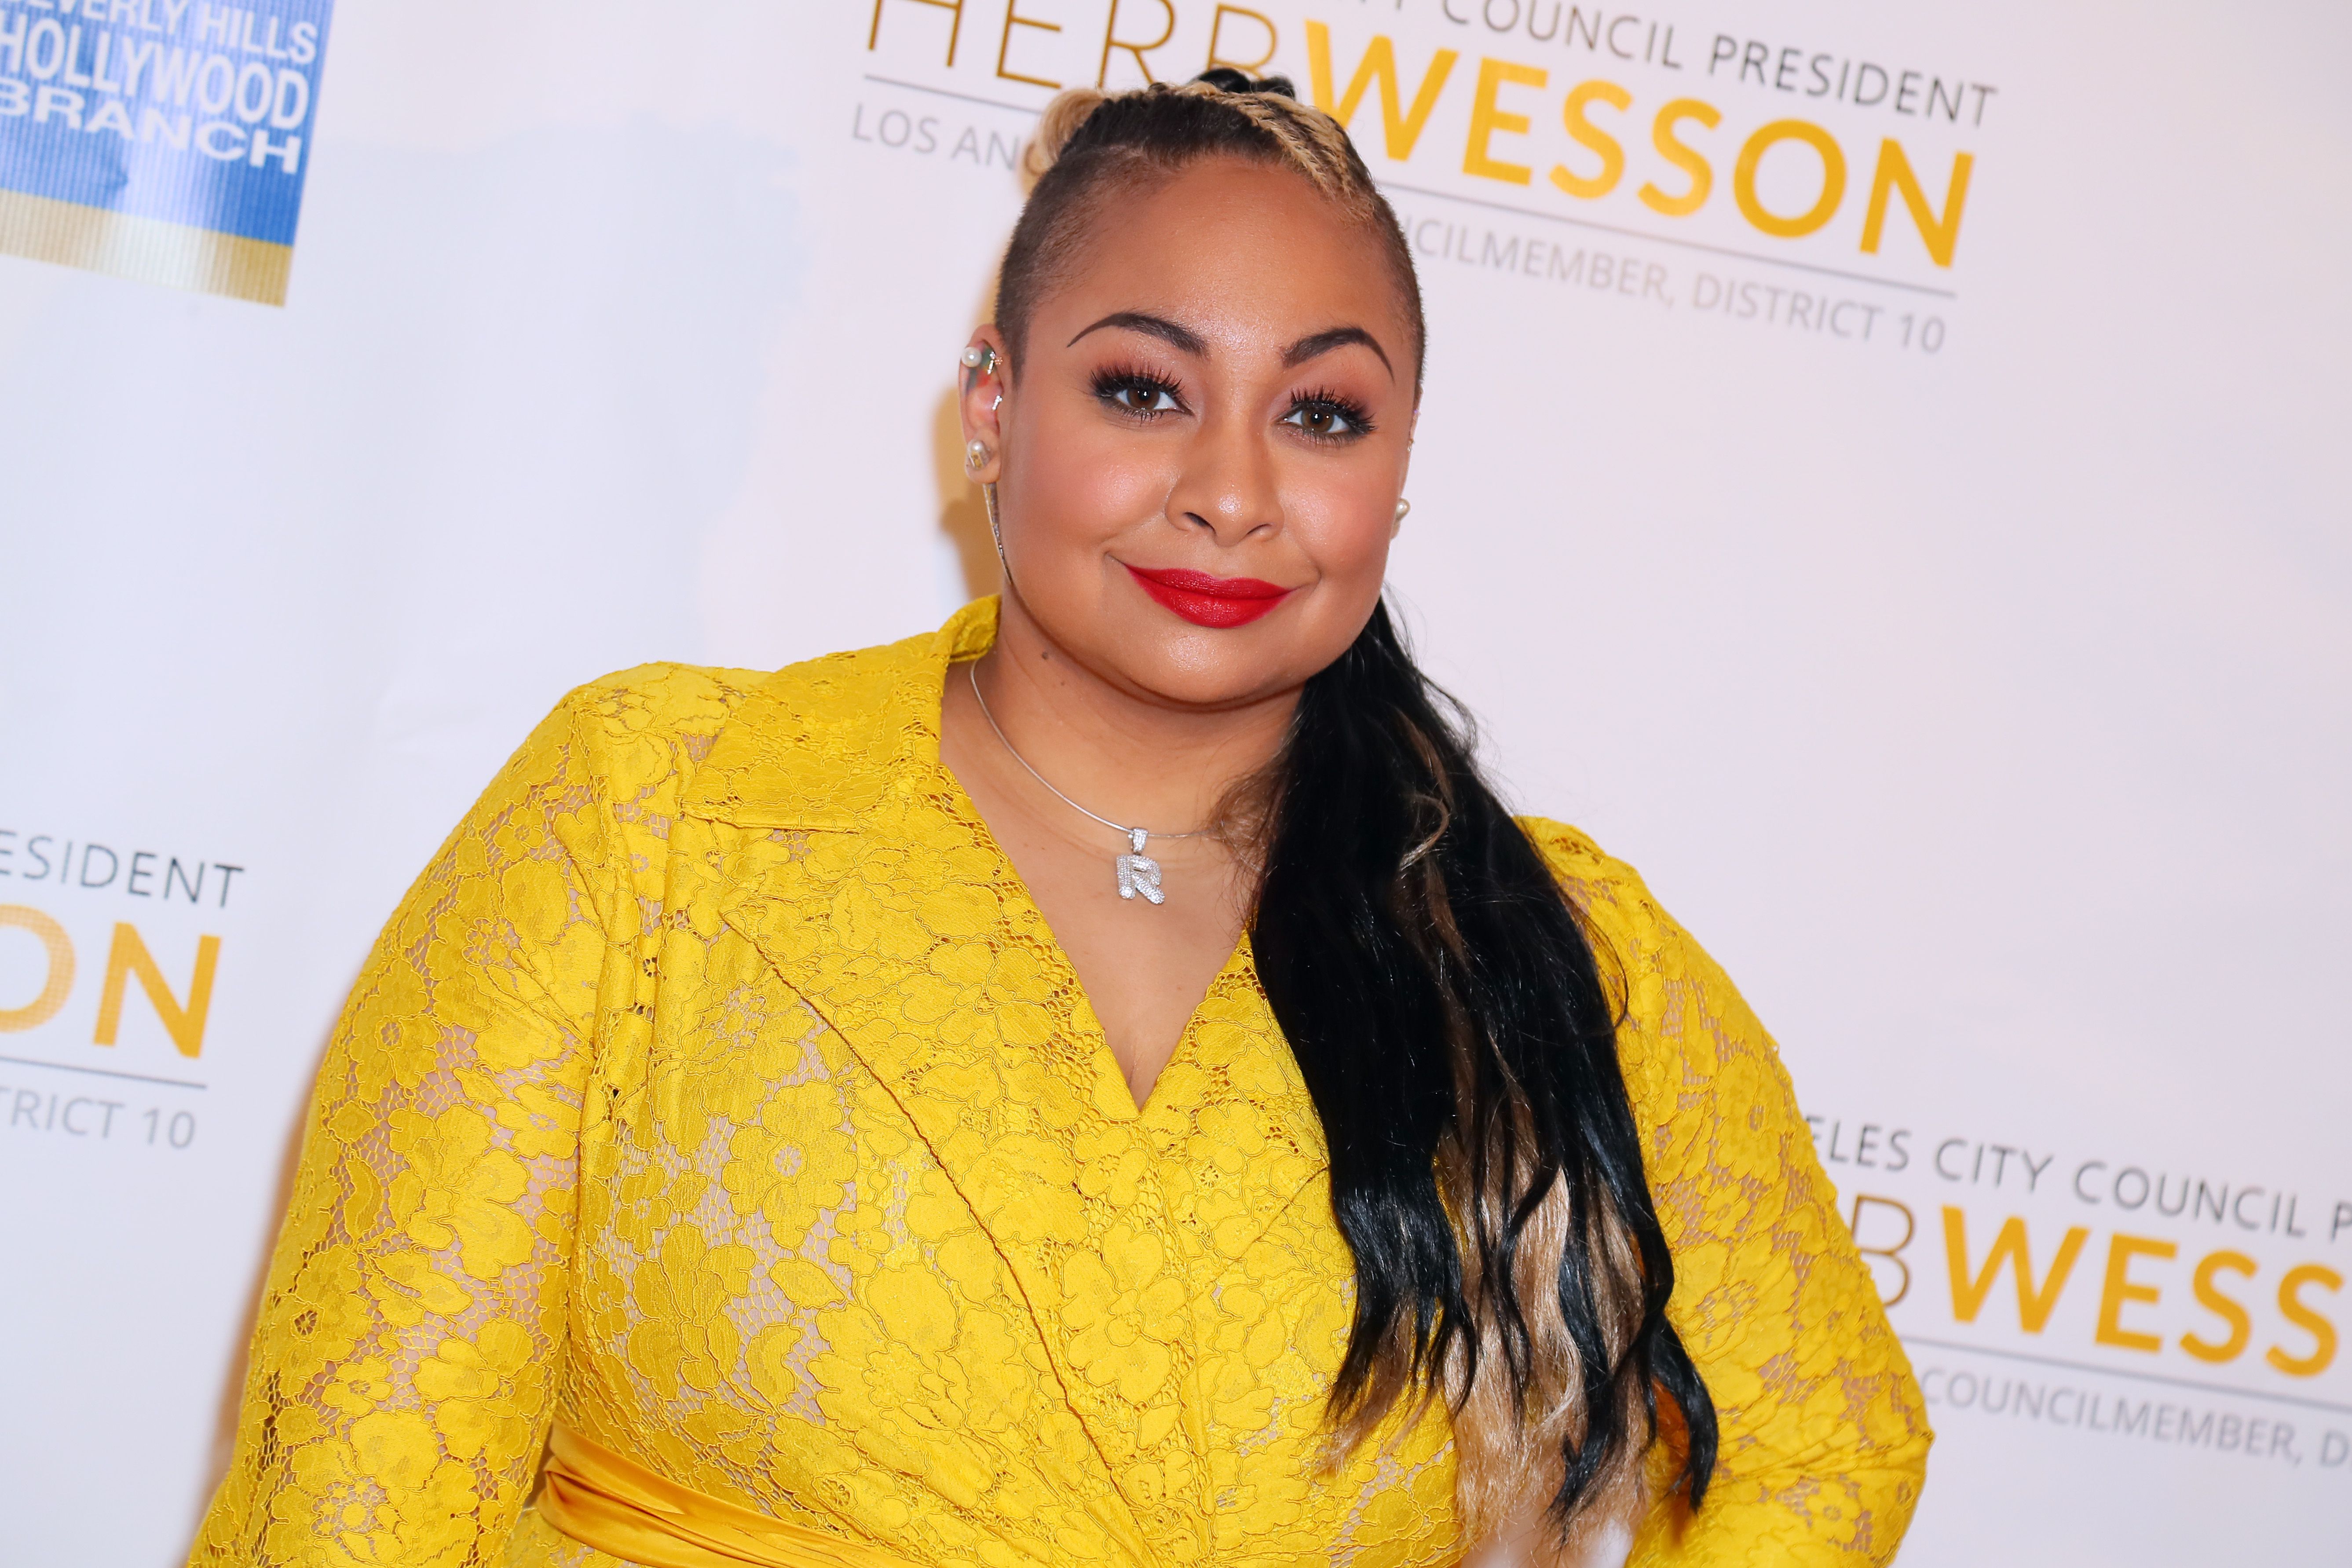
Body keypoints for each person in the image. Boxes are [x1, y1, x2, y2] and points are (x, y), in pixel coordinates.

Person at [190, 72, 1928, 1568]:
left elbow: (1833, 1437)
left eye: (1319, 414)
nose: (1231, 491)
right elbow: (356, 1489)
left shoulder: (1545, 954)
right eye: (1140, 388)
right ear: (993, 406)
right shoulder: (653, 815)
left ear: (1395, 474)